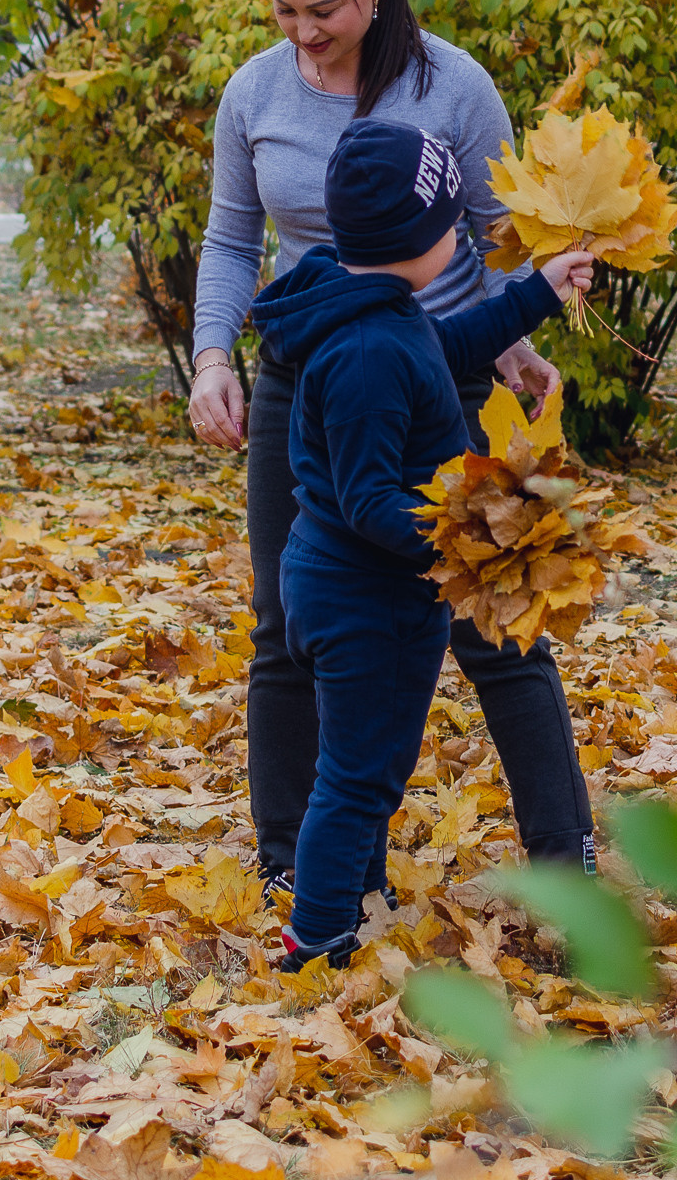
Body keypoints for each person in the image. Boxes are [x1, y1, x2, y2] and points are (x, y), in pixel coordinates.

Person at [187, 0, 597, 886]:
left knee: (492, 615)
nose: (303, 36)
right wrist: (210, 358)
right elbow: (233, 237)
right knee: (289, 622)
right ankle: (294, 864)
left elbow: (499, 235)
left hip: (432, 373)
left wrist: (509, 344)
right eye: (283, 12)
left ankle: (563, 859)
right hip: (301, 383)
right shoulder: (255, 93)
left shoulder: (450, 88)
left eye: (321, 10)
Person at [247, 118, 595, 968]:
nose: (459, 237)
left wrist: (540, 293)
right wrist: (467, 534)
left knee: (364, 760)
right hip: (365, 596)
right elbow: (368, 498)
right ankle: (318, 934)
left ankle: (353, 906)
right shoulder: (367, 350)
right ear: (419, 240)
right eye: (451, 225)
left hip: (359, 588)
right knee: (360, 773)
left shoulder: (374, 311)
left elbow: (447, 346)